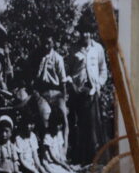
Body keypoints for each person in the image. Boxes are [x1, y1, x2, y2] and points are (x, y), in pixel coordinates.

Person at [68, 20, 110, 164]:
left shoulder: (97, 48)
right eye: (82, 32)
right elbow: (68, 70)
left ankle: (96, 157)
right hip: (78, 91)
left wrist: (98, 85)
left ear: (91, 33)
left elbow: (103, 70)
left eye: (87, 32)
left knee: (94, 124)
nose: (85, 35)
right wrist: (73, 86)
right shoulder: (73, 49)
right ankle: (81, 158)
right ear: (79, 33)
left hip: (92, 90)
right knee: (80, 124)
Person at [35, 35, 69, 149]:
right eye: (44, 43)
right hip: (43, 93)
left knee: (63, 115)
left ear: (53, 43)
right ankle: (48, 147)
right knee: (45, 115)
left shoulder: (57, 58)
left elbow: (63, 81)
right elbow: (35, 78)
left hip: (56, 93)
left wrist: (64, 99)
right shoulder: (39, 57)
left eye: (49, 43)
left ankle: (64, 147)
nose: (46, 46)